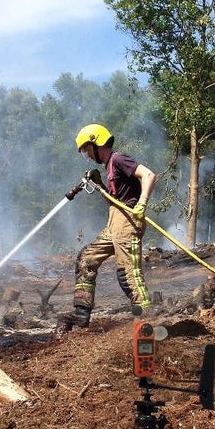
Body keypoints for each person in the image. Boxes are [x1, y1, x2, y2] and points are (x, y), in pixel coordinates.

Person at [63, 123, 157, 330]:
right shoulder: (109, 167)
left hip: (128, 223)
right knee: (86, 258)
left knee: (128, 276)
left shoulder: (119, 159)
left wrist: (142, 204)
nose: (87, 155)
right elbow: (116, 202)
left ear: (97, 143)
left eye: (87, 149)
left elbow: (149, 175)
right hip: (115, 222)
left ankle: (146, 324)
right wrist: (100, 185)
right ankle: (81, 314)